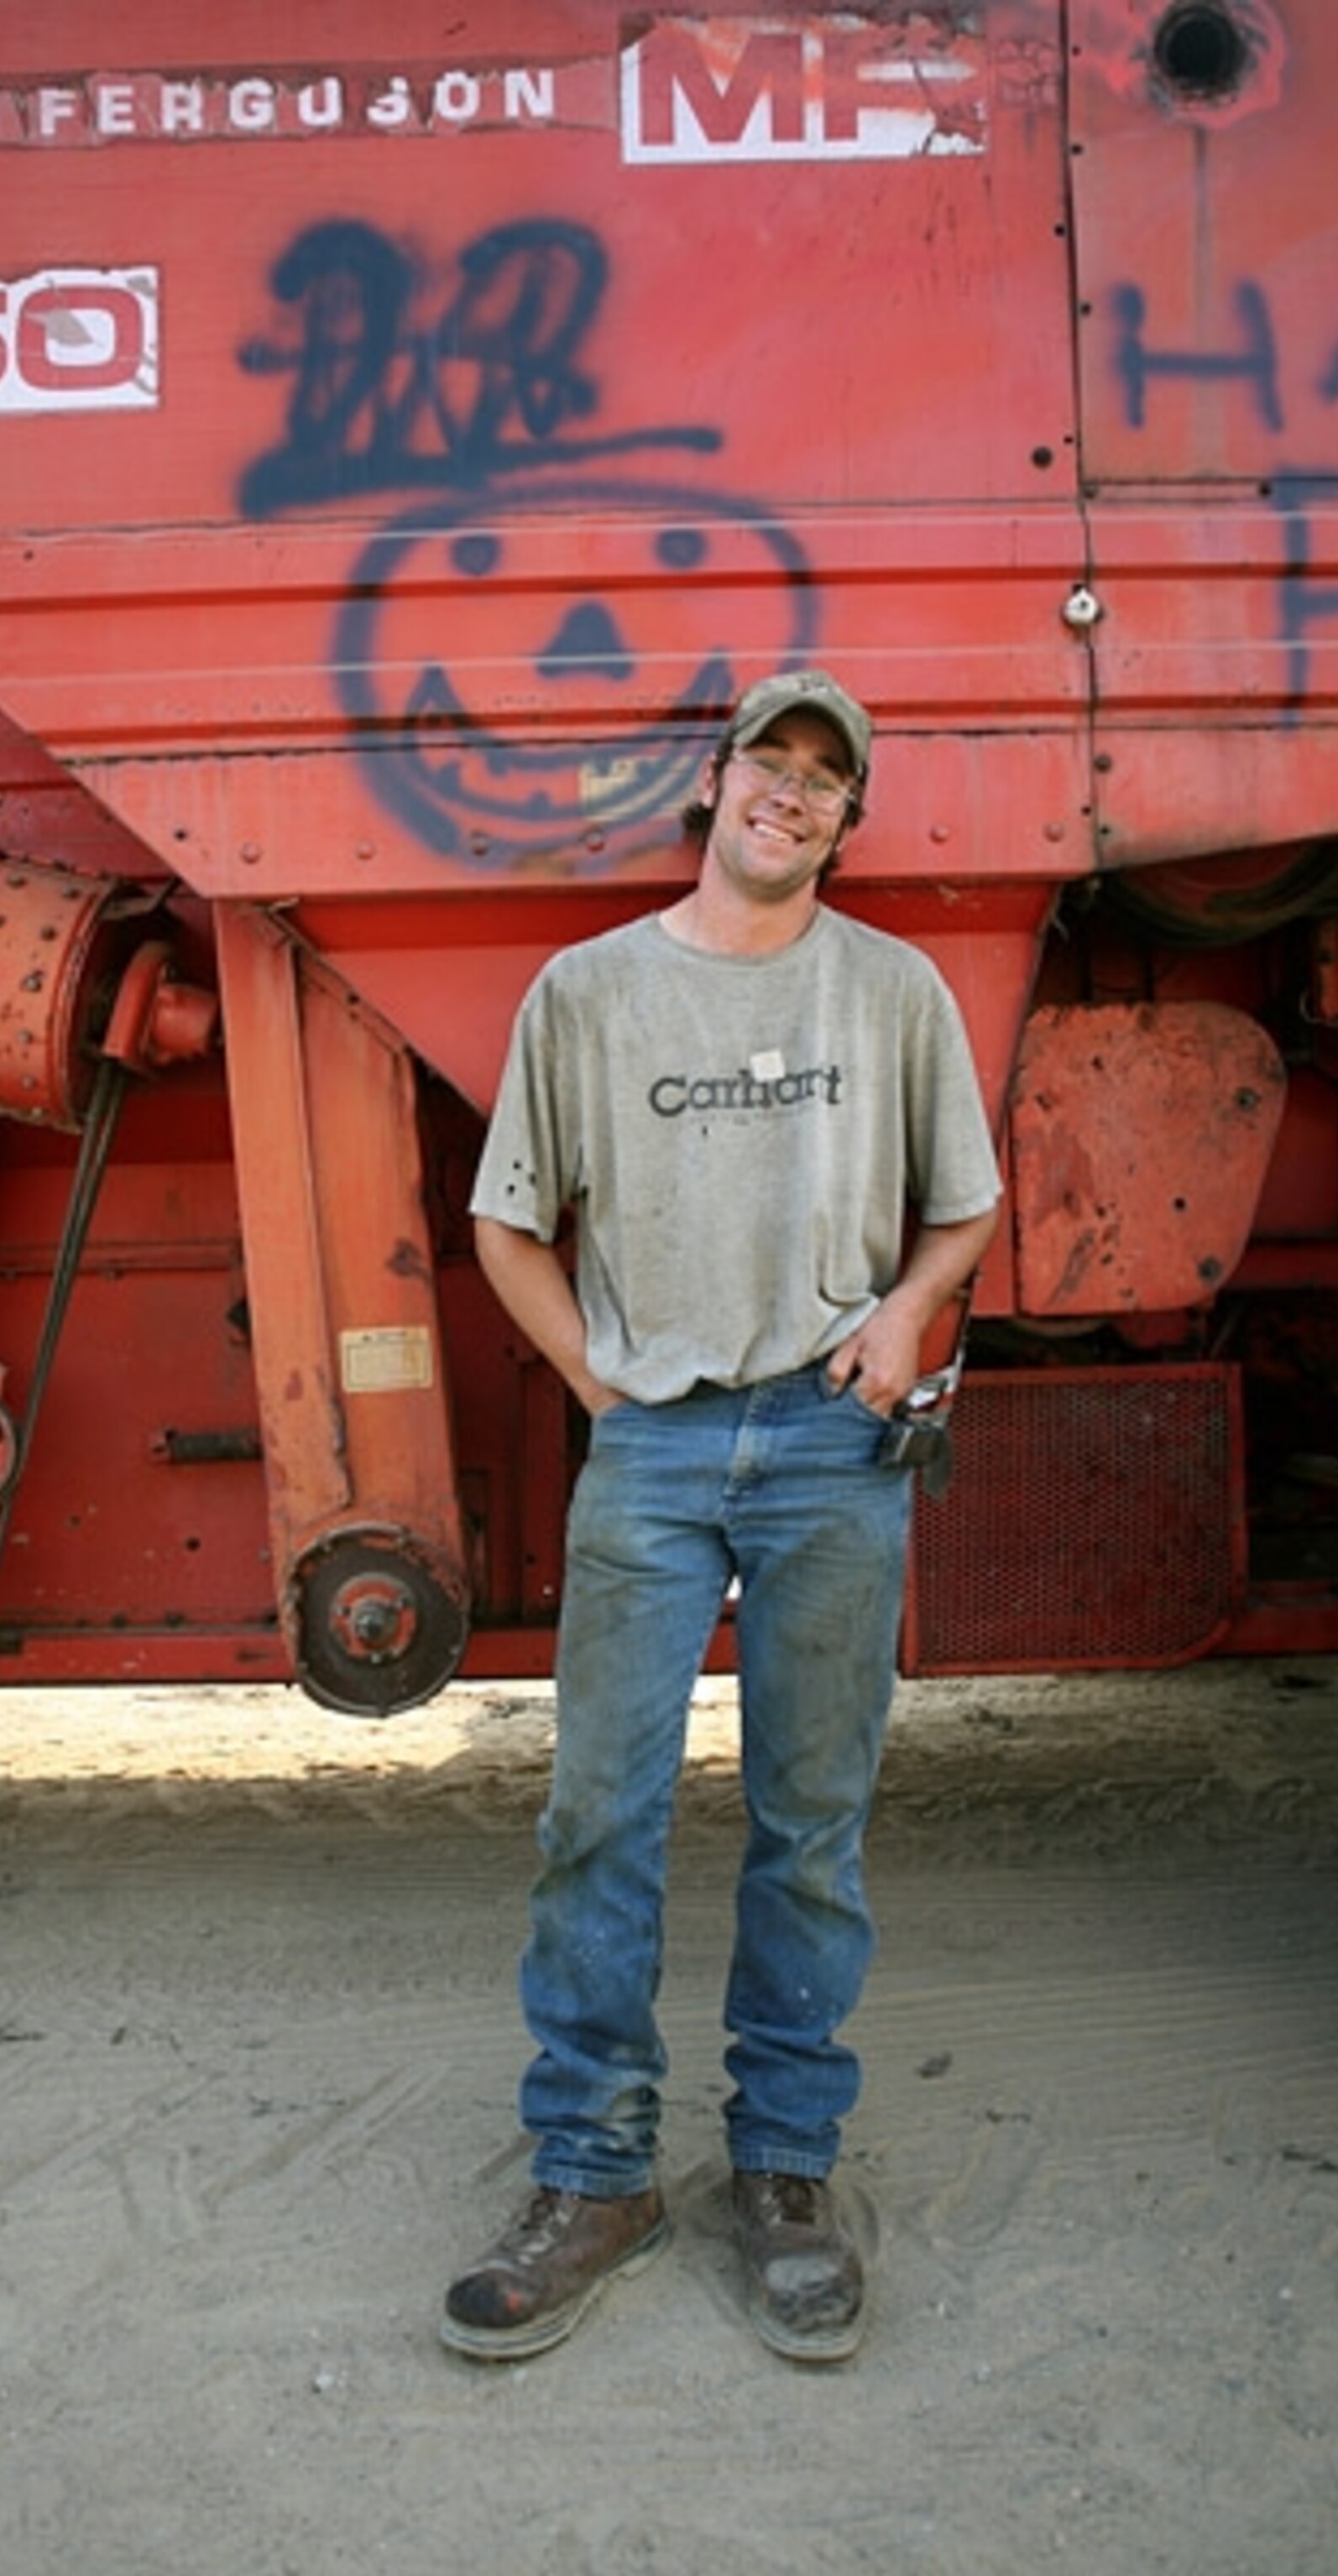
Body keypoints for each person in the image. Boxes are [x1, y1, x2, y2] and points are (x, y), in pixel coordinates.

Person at [442, 670, 1000, 2365]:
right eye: (771, 761)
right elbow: (508, 1225)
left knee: (809, 1823)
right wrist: (601, 1390)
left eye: (827, 777)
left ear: (850, 816)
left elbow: (959, 1210)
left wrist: (908, 1319)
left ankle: (780, 2171)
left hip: (834, 1451)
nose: (792, 793)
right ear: (718, 782)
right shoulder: (590, 990)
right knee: (596, 1818)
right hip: (659, 1450)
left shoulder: (892, 992)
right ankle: (595, 2173)